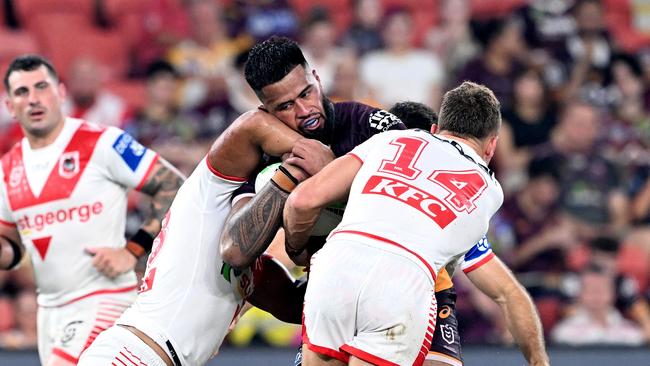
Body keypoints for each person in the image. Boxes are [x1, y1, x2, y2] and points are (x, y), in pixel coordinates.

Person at [77, 37, 334, 365]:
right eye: (283, 106)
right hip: (134, 352)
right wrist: (337, 170)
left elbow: (296, 305)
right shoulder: (214, 186)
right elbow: (253, 124)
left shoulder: (249, 255)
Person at [283, 82, 548, 366]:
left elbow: (302, 201)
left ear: (434, 130)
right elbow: (506, 293)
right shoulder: (487, 191)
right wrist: (538, 362)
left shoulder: (387, 141)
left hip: (336, 266)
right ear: (492, 147)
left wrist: (298, 252)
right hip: (403, 282)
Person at [0, 55, 184, 366]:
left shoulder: (102, 142)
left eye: (41, 87)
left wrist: (133, 248)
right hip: (50, 313)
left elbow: (174, 185)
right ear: (9, 105)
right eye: (22, 92)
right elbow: (13, 247)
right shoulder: (7, 169)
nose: (33, 99)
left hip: (104, 298)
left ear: (60, 93)